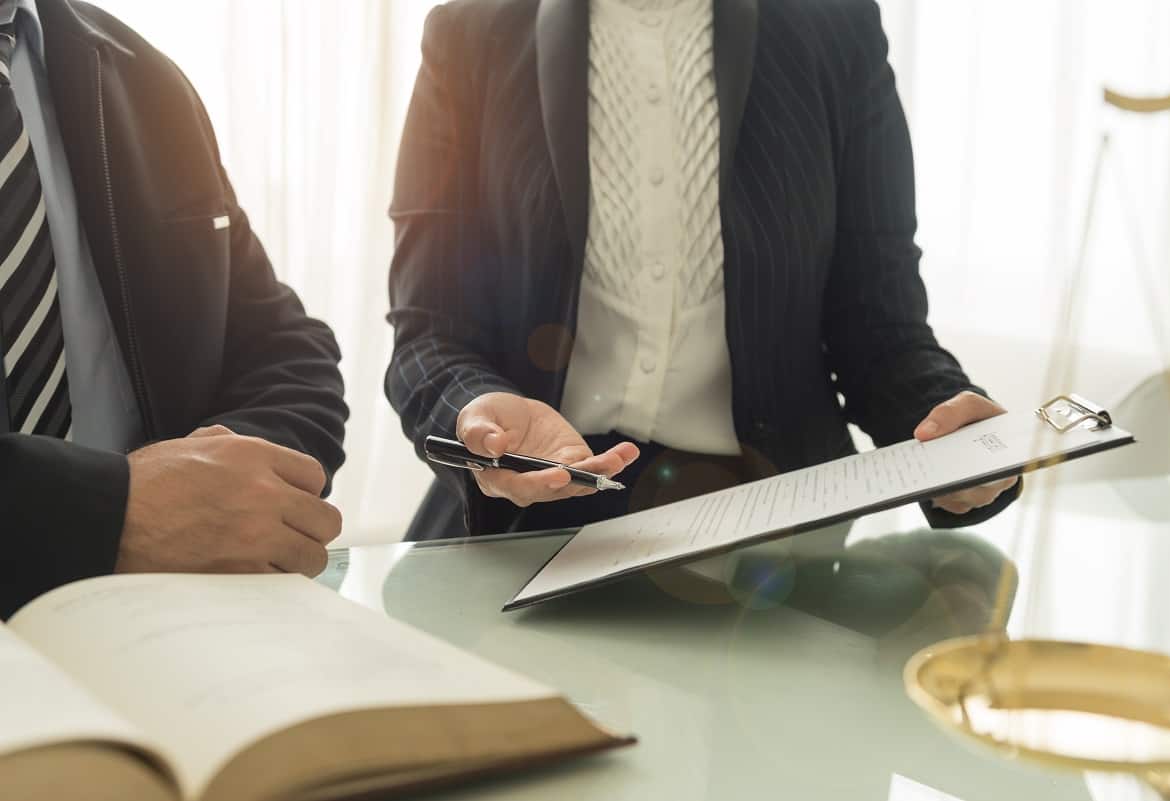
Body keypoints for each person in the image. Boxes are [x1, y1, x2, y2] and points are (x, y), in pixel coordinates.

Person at [387, 0, 1019, 542]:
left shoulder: (836, 22)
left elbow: (880, 330)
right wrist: (475, 415)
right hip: (529, 524)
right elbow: (428, 334)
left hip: (775, 542)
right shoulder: (469, 31)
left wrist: (951, 431)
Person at [0, 0, 348, 618]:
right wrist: (106, 512)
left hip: (168, 631)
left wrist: (215, 490)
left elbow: (290, 355)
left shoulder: (143, 77)